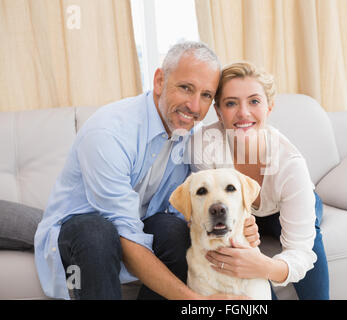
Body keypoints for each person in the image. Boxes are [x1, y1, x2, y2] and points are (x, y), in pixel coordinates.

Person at [34, 42, 256, 300]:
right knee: (97, 232)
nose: (194, 106)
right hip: (79, 235)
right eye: (186, 88)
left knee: (173, 230)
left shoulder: (192, 138)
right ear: (160, 81)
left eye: (206, 95)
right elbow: (124, 233)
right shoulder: (109, 134)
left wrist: (243, 225)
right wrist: (197, 303)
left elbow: (199, 206)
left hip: (135, 224)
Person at [189, 61, 330, 299]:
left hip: (278, 207)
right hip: (239, 212)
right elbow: (203, 208)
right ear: (218, 111)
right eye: (231, 103)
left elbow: (300, 252)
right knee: (237, 251)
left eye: (254, 101)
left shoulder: (290, 164)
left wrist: (264, 266)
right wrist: (243, 228)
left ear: (269, 107)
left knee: (309, 239)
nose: (243, 113)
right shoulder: (204, 144)